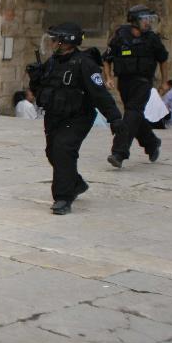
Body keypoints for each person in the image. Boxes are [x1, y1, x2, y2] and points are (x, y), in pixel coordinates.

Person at [27, 24, 124, 215]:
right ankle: (76, 183)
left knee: (63, 149)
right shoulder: (53, 61)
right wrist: (35, 76)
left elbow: (100, 93)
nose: (52, 43)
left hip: (78, 116)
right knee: (52, 153)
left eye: (56, 40)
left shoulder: (85, 63)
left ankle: (63, 198)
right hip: (55, 116)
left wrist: (114, 118)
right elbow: (44, 88)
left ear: (67, 42)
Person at [104, 5, 169, 168]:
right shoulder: (120, 36)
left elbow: (163, 60)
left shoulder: (152, 39)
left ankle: (119, 153)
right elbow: (107, 58)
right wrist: (109, 77)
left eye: (149, 19)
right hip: (124, 83)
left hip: (143, 82)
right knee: (135, 116)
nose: (147, 23)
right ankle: (152, 143)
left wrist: (164, 82)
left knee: (132, 114)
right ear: (134, 21)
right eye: (144, 19)